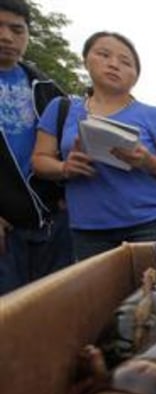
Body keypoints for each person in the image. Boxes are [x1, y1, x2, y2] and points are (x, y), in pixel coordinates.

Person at [32, 31, 156, 260]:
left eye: (126, 62)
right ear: (86, 60)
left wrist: (148, 161)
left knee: (155, 292)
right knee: (99, 295)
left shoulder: (153, 115)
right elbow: (38, 160)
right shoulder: (61, 109)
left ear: (135, 76)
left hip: (151, 223)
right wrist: (65, 168)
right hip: (88, 229)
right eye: (104, 55)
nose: (114, 64)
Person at [0, 0, 72, 295]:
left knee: (57, 309)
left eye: (17, 29)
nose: (6, 36)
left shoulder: (47, 87)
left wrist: (69, 193)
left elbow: (69, 144)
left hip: (54, 223)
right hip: (6, 228)